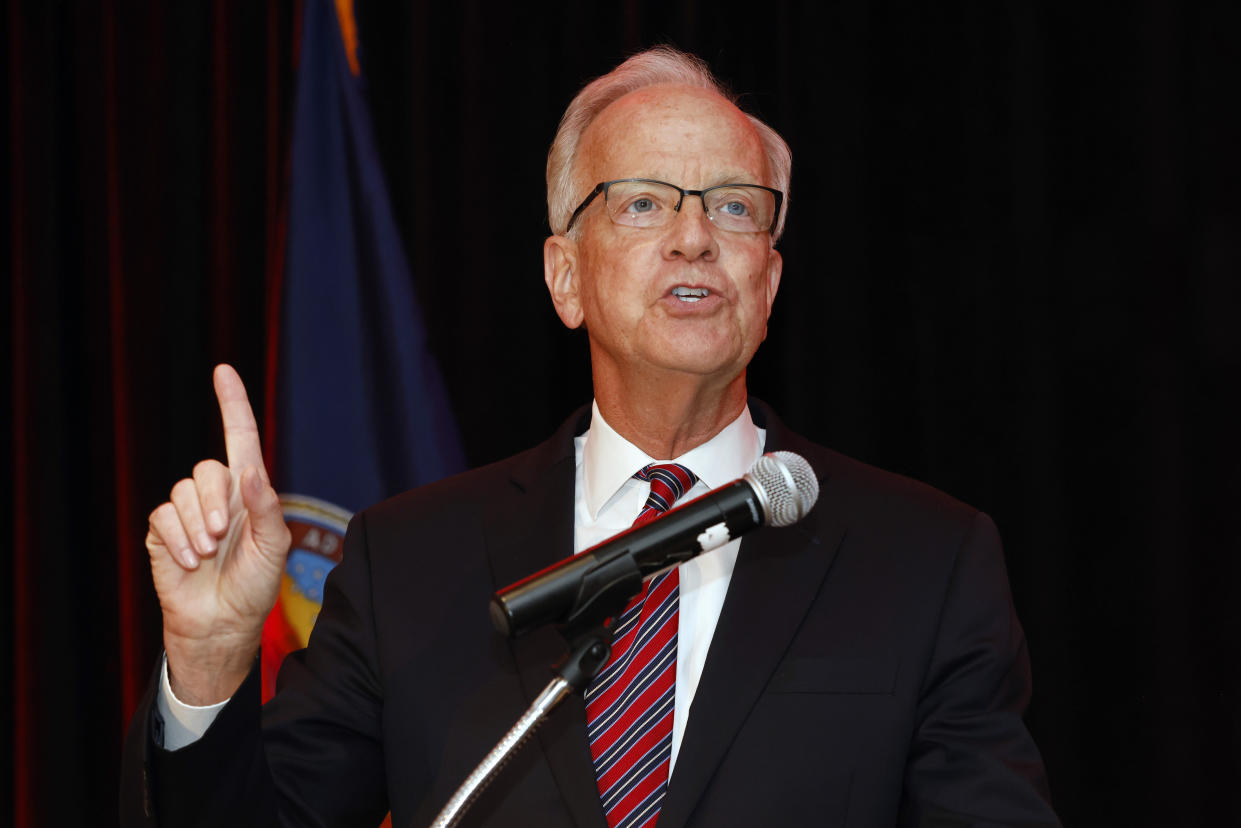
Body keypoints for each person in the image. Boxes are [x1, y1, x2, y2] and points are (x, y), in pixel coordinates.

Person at [121, 47, 1059, 827]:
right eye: (643, 202)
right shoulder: (408, 560)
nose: (695, 236)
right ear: (563, 277)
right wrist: (206, 661)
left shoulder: (924, 560)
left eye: (734, 206)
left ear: (768, 284)